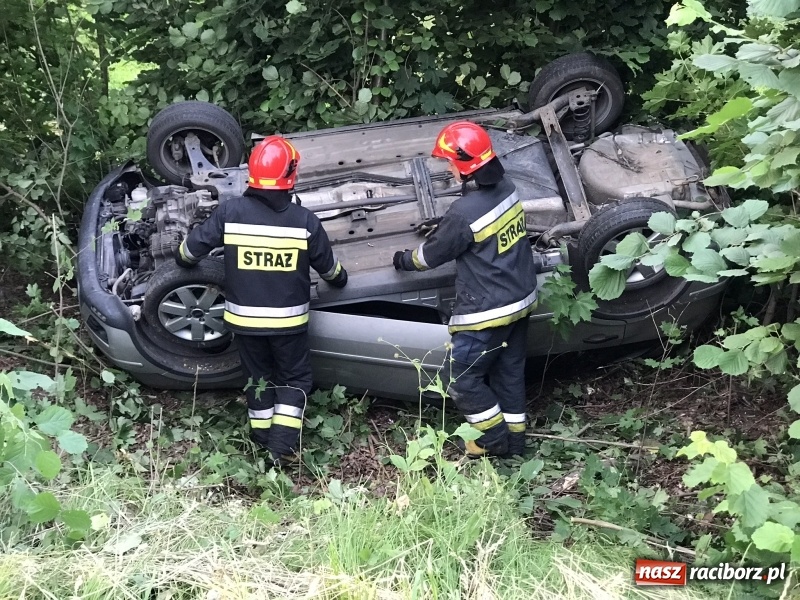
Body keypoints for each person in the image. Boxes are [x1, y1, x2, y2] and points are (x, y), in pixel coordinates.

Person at [175, 135, 348, 467]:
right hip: (288, 325)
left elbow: (188, 253)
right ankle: (280, 450)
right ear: (290, 175)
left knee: (257, 378)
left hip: (245, 324)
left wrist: (183, 260)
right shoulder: (305, 222)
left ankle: (262, 439)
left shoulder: (230, 212)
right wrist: (341, 279)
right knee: (295, 381)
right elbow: (331, 271)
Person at [392, 121, 537, 458]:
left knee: (461, 379)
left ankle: (492, 440)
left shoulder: (464, 212)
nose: (447, 168)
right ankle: (515, 446)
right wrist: (448, 226)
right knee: (508, 375)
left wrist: (403, 260)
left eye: (449, 162)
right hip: (521, 299)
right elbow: (480, 227)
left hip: (487, 311)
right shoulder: (508, 188)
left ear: (464, 166)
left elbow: (430, 257)